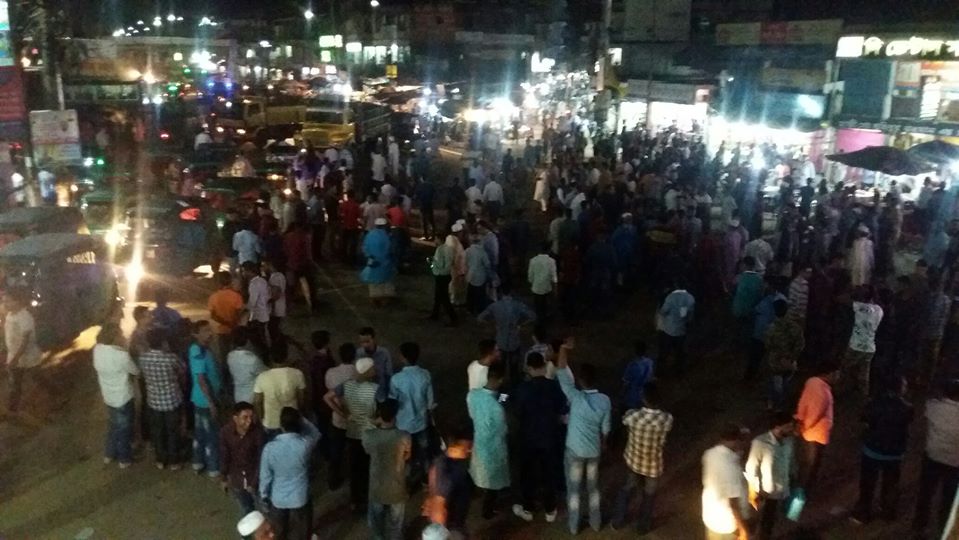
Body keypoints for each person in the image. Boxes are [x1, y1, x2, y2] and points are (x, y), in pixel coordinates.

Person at [556, 338, 611, 535]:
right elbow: (606, 428)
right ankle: (596, 523)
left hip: (574, 450)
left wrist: (563, 349)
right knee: (593, 488)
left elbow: (561, 371)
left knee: (574, 490)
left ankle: (574, 526)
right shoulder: (605, 400)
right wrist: (603, 444)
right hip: (594, 451)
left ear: (580, 380)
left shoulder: (576, 398)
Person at [511, 351, 567, 522]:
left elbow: (513, 408)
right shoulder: (553, 386)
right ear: (543, 366)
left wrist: (501, 396)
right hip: (549, 437)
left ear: (528, 368)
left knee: (528, 473)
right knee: (549, 472)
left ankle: (528, 507)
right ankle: (550, 509)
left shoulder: (522, 388)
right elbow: (562, 407)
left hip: (528, 438)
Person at [612, 382, 673, 533]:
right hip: (653, 464)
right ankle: (642, 526)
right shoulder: (666, 419)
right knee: (649, 495)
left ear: (643, 398)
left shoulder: (633, 415)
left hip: (634, 460)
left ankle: (618, 521)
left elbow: (624, 420)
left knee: (627, 489)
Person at [851, 376, 913, 525]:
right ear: (899, 388)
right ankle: (888, 512)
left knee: (868, 483)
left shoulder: (874, 403)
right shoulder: (907, 408)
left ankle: (863, 513)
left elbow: (864, 419)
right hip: (894, 453)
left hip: (873, 449)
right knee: (890, 484)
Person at [325, 357, 379, 513]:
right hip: (368, 433)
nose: (375, 370)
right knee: (368, 467)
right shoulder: (375, 388)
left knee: (355, 466)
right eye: (373, 368)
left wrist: (343, 414)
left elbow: (327, 397)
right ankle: (367, 498)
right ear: (367, 371)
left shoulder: (347, 385)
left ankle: (355, 500)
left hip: (353, 432)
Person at [259, 407, 320, 540]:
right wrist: (303, 419)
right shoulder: (304, 445)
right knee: (302, 532)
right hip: (299, 496)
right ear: (299, 424)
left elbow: (265, 476)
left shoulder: (270, 448)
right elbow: (316, 434)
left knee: (279, 533)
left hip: (278, 498)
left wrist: (264, 496)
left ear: (281, 425)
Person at [912, 379, 959, 539]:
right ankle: (943, 527)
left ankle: (919, 525)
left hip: (932, 456)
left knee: (926, 492)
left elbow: (928, 409)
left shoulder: (933, 406)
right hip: (955, 462)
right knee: (948, 498)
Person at [363, 399, 412, 540]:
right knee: (396, 524)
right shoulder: (404, 436)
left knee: (376, 524)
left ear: (379, 415)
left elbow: (367, 451)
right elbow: (407, 455)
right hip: (396, 485)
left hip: (376, 485)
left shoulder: (369, 435)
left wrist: (375, 422)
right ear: (395, 415)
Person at [93, 323, 140, 469]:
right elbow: (135, 370)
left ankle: (109, 453)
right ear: (114, 337)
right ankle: (124, 459)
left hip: (108, 395)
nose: (122, 335)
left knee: (113, 425)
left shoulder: (97, 349)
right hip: (123, 396)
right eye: (120, 333)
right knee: (124, 429)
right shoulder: (121, 355)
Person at [466, 361, 510, 519]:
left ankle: (473, 494)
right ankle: (487, 511)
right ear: (500, 380)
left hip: (479, 442)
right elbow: (503, 430)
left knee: (477, 472)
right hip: (494, 447)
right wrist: (504, 397)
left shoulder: (472, 395)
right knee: (493, 482)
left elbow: (472, 414)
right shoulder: (497, 406)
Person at [744, 412, 797, 540]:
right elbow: (751, 469)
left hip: (783, 488)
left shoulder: (789, 441)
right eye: (788, 426)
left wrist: (794, 476)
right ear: (777, 427)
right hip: (767, 493)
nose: (791, 429)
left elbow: (791, 460)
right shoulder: (760, 443)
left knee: (773, 519)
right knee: (763, 521)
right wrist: (754, 492)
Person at [389, 342, 435, 488]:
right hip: (421, 422)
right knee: (423, 452)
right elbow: (430, 403)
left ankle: (407, 482)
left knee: (404, 455)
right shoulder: (425, 375)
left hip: (403, 424)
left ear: (402, 357)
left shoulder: (396, 379)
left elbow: (393, 402)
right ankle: (425, 479)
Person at [139, 328, 184, 470]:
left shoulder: (143, 358)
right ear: (163, 342)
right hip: (172, 400)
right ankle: (174, 461)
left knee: (157, 431)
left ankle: (160, 460)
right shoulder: (171, 358)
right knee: (173, 431)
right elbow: (182, 370)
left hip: (153, 401)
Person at [794, 363, 839, 498]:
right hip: (816, 434)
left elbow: (803, 402)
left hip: (807, 431)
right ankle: (802, 493)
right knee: (811, 465)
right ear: (829, 374)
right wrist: (804, 428)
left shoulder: (811, 382)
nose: (838, 377)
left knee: (805, 463)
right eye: (836, 374)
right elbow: (816, 413)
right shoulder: (823, 391)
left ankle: (799, 489)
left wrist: (800, 420)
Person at [477, 283, 536, 383]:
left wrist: (492, 323)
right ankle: (514, 386)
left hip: (500, 341)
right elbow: (533, 316)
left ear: (500, 293)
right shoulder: (518, 305)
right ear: (511, 293)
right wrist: (522, 324)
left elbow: (480, 318)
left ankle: (500, 386)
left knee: (500, 368)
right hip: (514, 341)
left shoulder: (495, 306)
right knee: (514, 369)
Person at [701, 423, 752, 540]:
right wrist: (743, 530)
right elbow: (733, 503)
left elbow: (735, 453)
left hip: (711, 515)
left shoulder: (710, 454)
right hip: (726, 523)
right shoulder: (730, 467)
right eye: (741, 440)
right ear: (736, 441)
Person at [253, 338, 307, 439]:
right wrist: (300, 413)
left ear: (270, 357)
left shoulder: (262, 377)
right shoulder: (297, 374)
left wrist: (261, 419)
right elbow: (301, 399)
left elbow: (257, 401)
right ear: (286, 356)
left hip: (271, 422)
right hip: (291, 421)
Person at [424, 427, 474, 532]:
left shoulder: (445, 462)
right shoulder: (445, 470)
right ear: (454, 448)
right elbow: (439, 505)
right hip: (452, 523)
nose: (470, 450)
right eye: (467, 447)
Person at [220, 402, 266, 516]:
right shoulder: (226, 433)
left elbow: (262, 460)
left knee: (264, 511)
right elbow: (225, 456)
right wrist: (223, 477)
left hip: (255, 479)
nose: (249, 421)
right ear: (235, 418)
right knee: (246, 512)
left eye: (251, 417)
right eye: (245, 417)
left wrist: (254, 483)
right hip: (237, 480)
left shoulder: (258, 433)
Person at [190, 320, 222, 477]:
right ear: (195, 334)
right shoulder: (199, 352)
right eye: (205, 331)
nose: (210, 333)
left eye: (210, 330)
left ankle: (198, 462)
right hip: (205, 401)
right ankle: (214, 468)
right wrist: (211, 403)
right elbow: (201, 379)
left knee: (200, 432)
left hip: (199, 399)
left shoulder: (198, 349)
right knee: (212, 435)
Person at [324, 343, 358, 490]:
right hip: (356, 420)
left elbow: (328, 392)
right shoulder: (359, 374)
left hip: (338, 420)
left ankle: (333, 480)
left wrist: (342, 413)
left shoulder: (331, 373)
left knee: (336, 451)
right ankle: (356, 479)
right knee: (355, 451)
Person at [4, 288, 43, 414]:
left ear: (18, 301)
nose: (5, 304)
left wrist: (15, 359)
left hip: (27, 355)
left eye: (8, 301)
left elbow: (25, 341)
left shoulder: (25, 317)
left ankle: (56, 393)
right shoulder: (10, 315)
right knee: (15, 383)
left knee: (37, 377)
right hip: (14, 355)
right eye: (4, 301)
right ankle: (12, 409)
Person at [764, 299, 804, 411]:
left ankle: (773, 403)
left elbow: (767, 345)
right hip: (789, 361)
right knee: (786, 382)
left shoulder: (771, 328)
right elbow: (800, 344)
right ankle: (782, 405)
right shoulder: (795, 327)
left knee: (774, 382)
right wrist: (792, 357)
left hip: (775, 361)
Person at [844, 286, 883, 396]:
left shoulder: (858, 306)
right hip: (870, 347)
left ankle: (845, 392)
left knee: (846, 369)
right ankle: (863, 395)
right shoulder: (879, 310)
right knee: (864, 374)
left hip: (855, 345)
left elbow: (842, 300)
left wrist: (852, 292)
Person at [657, 284, 695, 375]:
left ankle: (660, 371)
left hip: (669, 330)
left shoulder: (670, 297)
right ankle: (679, 371)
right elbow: (689, 316)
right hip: (681, 330)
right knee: (679, 352)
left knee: (664, 351)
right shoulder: (690, 298)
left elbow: (663, 312)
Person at [208, 271, 245, 363]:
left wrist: (225, 323)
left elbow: (213, 315)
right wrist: (233, 323)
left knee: (224, 355)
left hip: (222, 330)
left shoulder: (213, 297)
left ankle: (226, 371)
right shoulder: (236, 296)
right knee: (236, 354)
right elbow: (238, 313)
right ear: (230, 281)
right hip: (235, 329)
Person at [361, 218, 398, 306]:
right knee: (386, 280)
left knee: (374, 281)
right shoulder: (387, 236)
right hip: (385, 262)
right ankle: (385, 299)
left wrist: (369, 256)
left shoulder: (370, 234)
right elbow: (391, 249)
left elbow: (365, 247)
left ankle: (375, 298)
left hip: (373, 261)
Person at [228, 327, 267, 404]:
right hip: (252, 396)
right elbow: (265, 372)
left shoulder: (230, 356)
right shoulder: (252, 359)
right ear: (248, 341)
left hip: (238, 396)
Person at [358, 326, 393, 401]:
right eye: (362, 342)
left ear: (374, 339)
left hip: (380, 395)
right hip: (364, 397)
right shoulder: (358, 353)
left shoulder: (384, 352)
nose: (365, 345)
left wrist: (388, 395)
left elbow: (389, 374)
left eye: (367, 341)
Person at [429, 232, 458, 326]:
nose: (435, 240)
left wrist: (433, 262)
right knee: (438, 296)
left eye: (436, 238)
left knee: (443, 298)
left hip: (441, 275)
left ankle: (453, 317)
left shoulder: (440, 249)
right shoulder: (449, 249)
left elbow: (440, 263)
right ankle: (435, 314)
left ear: (439, 239)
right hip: (446, 274)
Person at [243, 262, 271, 354]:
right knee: (263, 335)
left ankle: (264, 353)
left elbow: (252, 301)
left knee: (258, 337)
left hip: (258, 315)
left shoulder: (254, 284)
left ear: (249, 271)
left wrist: (244, 308)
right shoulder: (262, 281)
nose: (243, 273)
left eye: (244, 271)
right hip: (265, 311)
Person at [464, 232, 494, 315]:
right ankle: (480, 310)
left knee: (471, 293)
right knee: (480, 295)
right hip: (480, 276)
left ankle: (470, 309)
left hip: (470, 275)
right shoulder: (482, 252)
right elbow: (487, 264)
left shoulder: (467, 250)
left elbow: (465, 262)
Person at [527, 242, 558, 322]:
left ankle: (539, 321)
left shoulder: (533, 260)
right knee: (545, 307)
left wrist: (532, 283)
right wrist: (555, 289)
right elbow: (554, 277)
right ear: (548, 250)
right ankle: (545, 321)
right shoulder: (551, 261)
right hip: (547, 288)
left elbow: (530, 277)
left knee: (538, 307)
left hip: (536, 288)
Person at [621, 340, 655, 410]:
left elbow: (626, 381)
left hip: (633, 393)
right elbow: (650, 377)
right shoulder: (650, 362)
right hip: (645, 392)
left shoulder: (632, 365)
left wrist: (622, 393)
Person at [262, 259, 287, 342]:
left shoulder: (275, 278)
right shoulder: (280, 275)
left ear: (270, 265)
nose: (263, 268)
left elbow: (275, 294)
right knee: (275, 328)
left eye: (264, 265)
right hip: (279, 307)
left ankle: (277, 344)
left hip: (276, 309)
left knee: (273, 329)